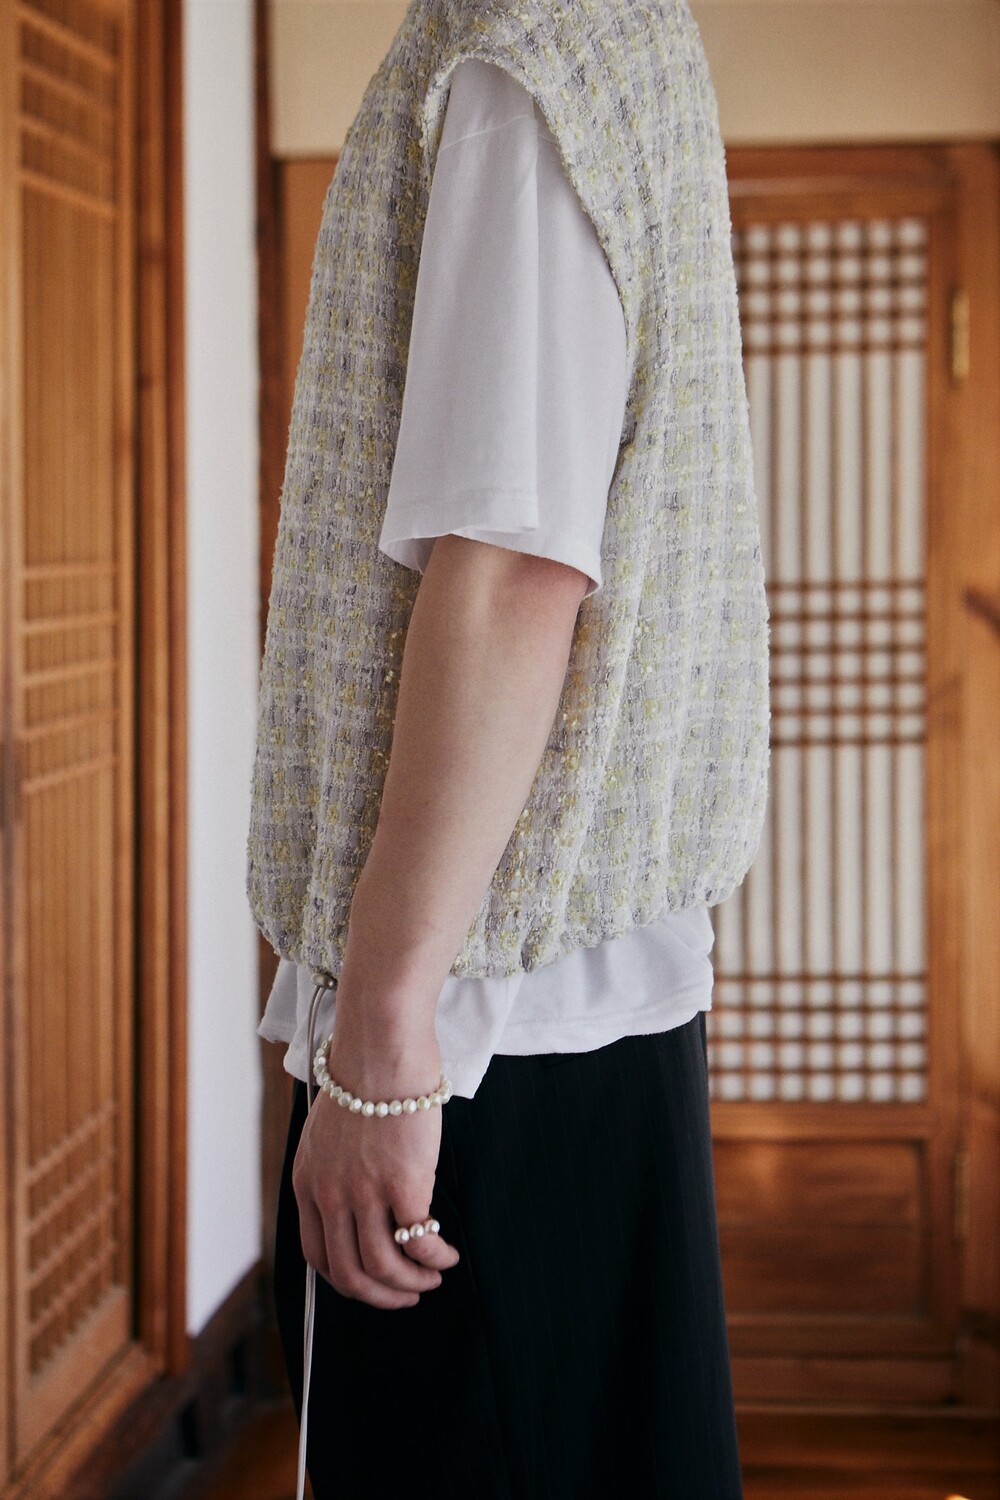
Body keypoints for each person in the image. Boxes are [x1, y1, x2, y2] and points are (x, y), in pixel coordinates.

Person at [247, 2, 770, 1497]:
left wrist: (382, 1048)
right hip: (535, 991)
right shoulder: (608, 38)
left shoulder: (524, 58)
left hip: (476, 1015)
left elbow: (513, 565)